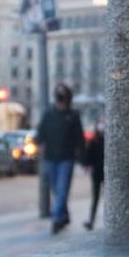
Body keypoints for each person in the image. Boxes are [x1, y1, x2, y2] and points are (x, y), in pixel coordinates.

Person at [35, 83, 85, 234]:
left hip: (66, 159)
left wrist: (83, 159)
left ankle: (56, 218)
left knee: (62, 190)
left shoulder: (73, 115)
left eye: (63, 95)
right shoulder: (49, 114)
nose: (60, 99)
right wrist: (40, 146)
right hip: (50, 158)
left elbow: (79, 138)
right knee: (56, 190)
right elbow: (40, 133)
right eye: (58, 95)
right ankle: (64, 216)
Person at [82, 119, 105, 231]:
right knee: (95, 197)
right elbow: (88, 155)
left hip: (104, 172)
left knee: (104, 197)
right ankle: (91, 221)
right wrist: (87, 165)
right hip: (97, 172)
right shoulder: (94, 140)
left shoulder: (105, 139)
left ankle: (107, 220)